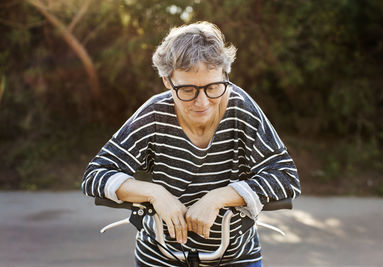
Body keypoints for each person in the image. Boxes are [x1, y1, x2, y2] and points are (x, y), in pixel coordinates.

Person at [82, 21, 301, 267]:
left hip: (236, 258)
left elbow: (285, 176)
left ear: (225, 74)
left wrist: (218, 197)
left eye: (213, 87)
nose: (203, 102)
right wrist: (155, 194)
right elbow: (95, 174)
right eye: (187, 90)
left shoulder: (241, 108)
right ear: (167, 81)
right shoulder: (154, 115)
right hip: (161, 257)